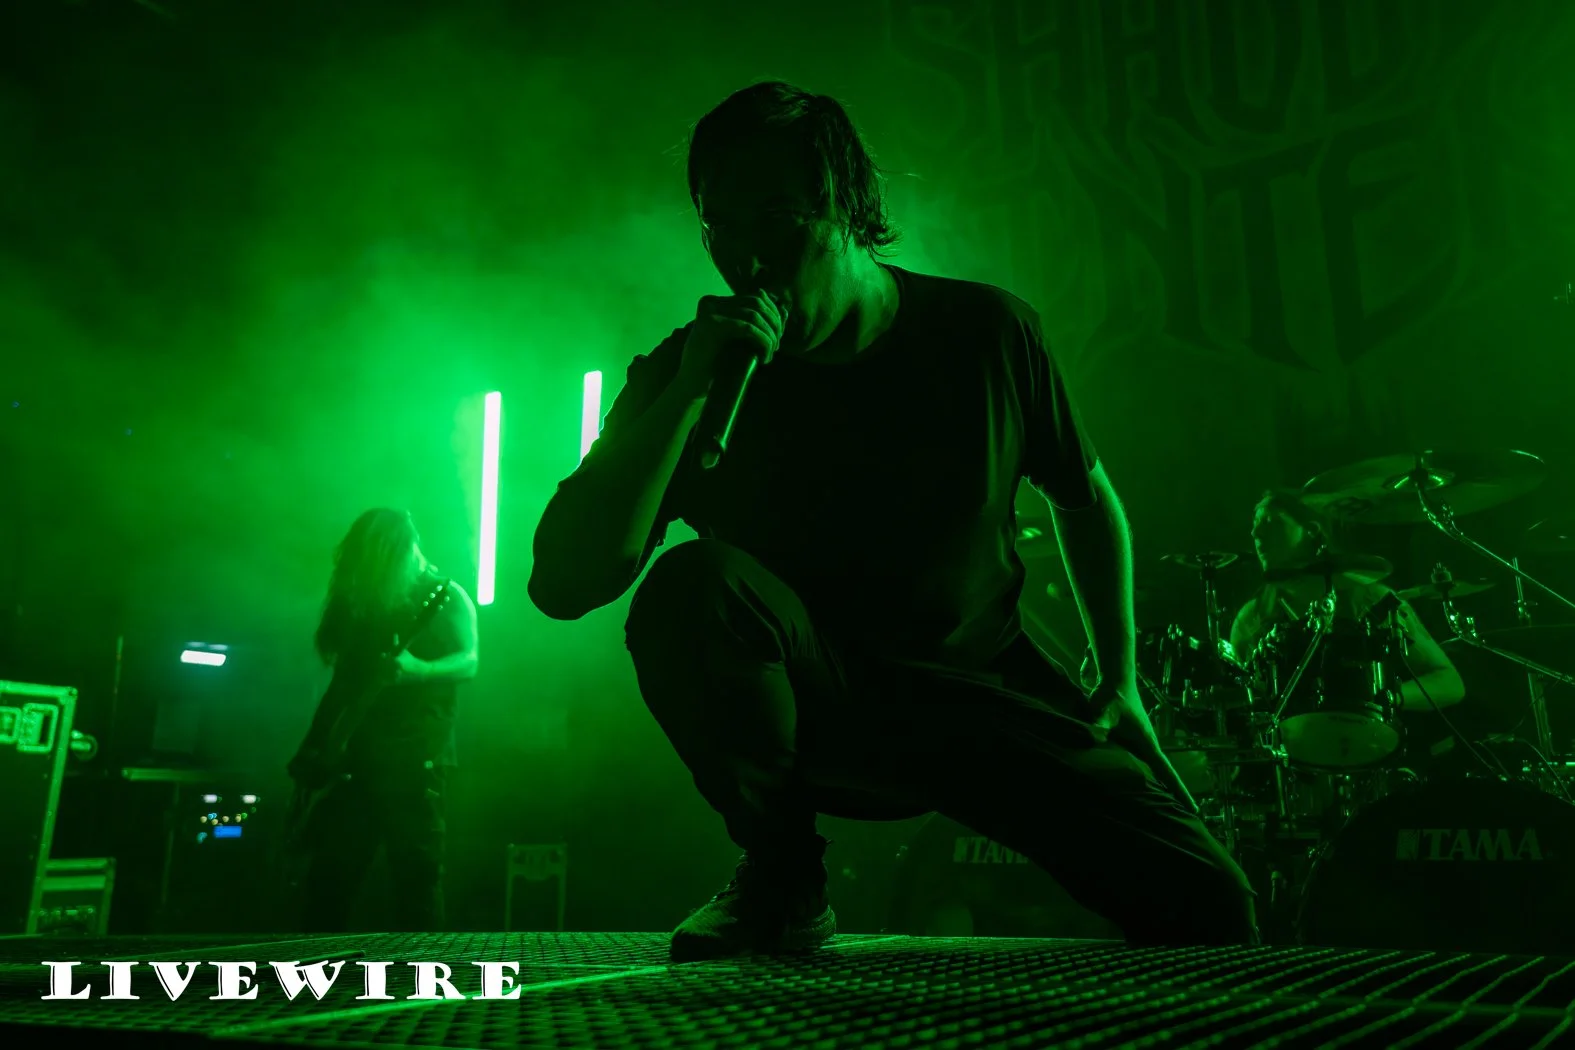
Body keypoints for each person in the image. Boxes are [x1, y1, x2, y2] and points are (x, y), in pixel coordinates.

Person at [528, 81, 1255, 960]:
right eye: (719, 224)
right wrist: (684, 393)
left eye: (775, 218)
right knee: (693, 586)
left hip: (981, 695)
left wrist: (1120, 671)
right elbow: (563, 583)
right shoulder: (691, 375)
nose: (745, 255)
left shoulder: (985, 332)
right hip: (820, 703)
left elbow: (1085, 494)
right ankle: (782, 876)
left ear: (843, 204)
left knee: (1211, 907)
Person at [289, 508, 479, 932]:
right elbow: (342, 686)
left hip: (417, 759)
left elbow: (470, 660)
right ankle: (317, 967)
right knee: (330, 879)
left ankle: (425, 970)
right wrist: (314, 745)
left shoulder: (447, 596)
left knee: (417, 879)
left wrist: (420, 671)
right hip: (357, 763)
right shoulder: (369, 603)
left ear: (403, 550)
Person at [1228, 489, 1465, 712]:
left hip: (1373, 737)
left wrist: (1387, 698)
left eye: (1270, 522)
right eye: (1255, 525)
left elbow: (1449, 682)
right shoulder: (1251, 618)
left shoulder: (1373, 600)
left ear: (1311, 530)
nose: (1256, 534)